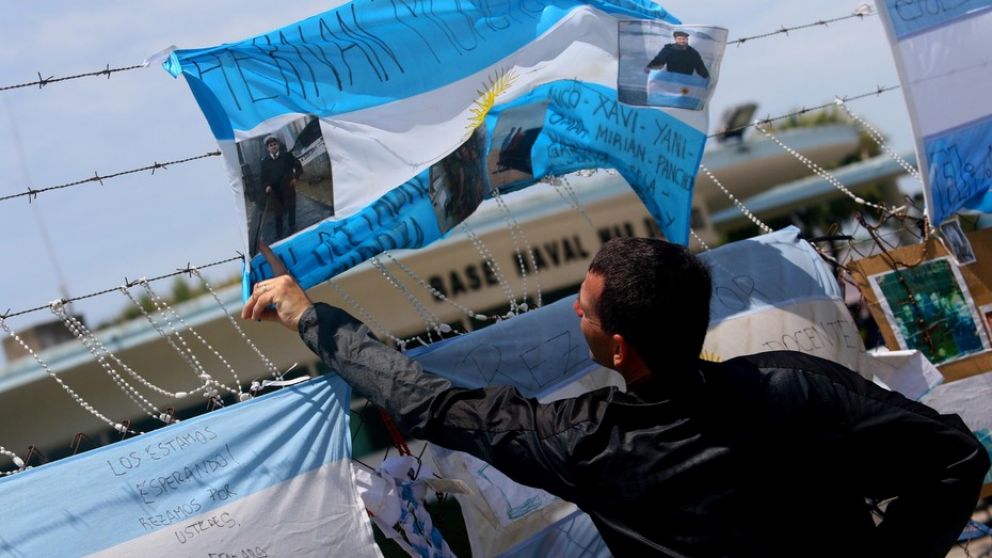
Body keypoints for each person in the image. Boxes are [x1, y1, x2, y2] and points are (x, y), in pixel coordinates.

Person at [243, 238, 989, 557]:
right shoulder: (791, 386)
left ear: (620, 347)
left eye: (587, 308)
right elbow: (954, 458)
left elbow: (431, 405)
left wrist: (314, 318)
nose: (575, 312)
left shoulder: (587, 443)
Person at [258, 135, 303, 239]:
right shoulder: (265, 161)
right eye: (271, 145)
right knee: (278, 213)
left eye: (274, 144)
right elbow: (263, 178)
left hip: (288, 188)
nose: (273, 146)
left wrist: (295, 177)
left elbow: (298, 166)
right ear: (267, 148)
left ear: (278, 145)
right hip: (275, 192)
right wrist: (266, 186)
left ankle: (292, 228)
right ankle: (279, 234)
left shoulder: (287, 156)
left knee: (291, 209)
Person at [644, 30, 710, 79]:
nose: (682, 41)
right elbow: (659, 60)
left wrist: (706, 76)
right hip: (671, 79)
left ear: (687, 40)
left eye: (684, 39)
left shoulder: (692, 53)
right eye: (679, 39)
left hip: (686, 81)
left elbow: (700, 66)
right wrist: (649, 67)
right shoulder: (669, 49)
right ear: (675, 39)